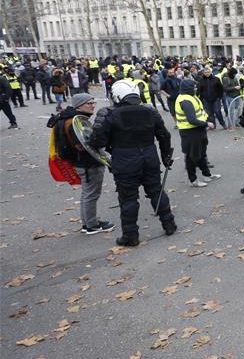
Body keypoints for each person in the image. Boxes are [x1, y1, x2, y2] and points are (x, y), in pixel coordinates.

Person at [89, 79, 177, 247]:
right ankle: (169, 224)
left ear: (117, 95)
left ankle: (131, 236)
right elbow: (164, 135)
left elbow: (96, 141)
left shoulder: (108, 113)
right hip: (150, 157)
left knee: (128, 198)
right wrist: (166, 156)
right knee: (156, 191)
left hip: (125, 160)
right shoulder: (150, 111)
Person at [47, 93, 115, 234]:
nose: (92, 106)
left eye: (93, 103)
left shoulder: (66, 117)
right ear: (78, 105)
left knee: (87, 193)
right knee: (91, 194)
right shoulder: (74, 121)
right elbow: (86, 144)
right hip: (88, 163)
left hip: (80, 162)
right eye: (89, 103)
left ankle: (88, 223)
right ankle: (92, 225)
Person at [174, 78, 220, 187]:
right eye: (193, 87)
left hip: (198, 130)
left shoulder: (191, 97)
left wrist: (206, 120)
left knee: (201, 154)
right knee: (192, 157)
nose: (195, 88)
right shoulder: (185, 100)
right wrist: (207, 124)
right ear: (188, 88)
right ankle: (193, 180)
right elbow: (192, 120)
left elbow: (200, 111)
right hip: (190, 132)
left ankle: (207, 175)